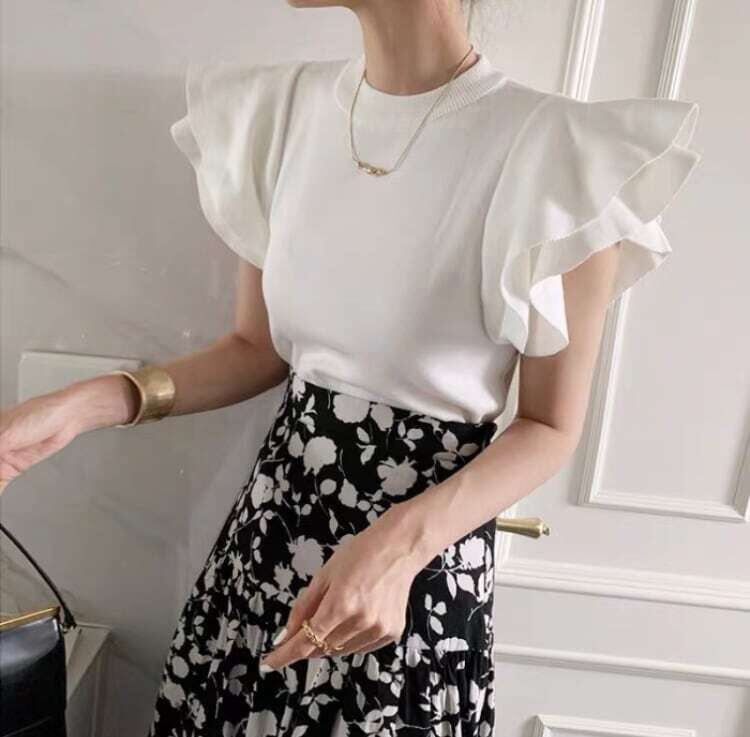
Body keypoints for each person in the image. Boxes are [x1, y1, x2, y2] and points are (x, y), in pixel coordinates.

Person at [0, 0, 702, 734]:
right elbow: (257, 347)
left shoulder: (559, 156)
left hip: (411, 575)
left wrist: (399, 547)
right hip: (265, 542)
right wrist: (82, 406)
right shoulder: (278, 113)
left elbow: (549, 426)